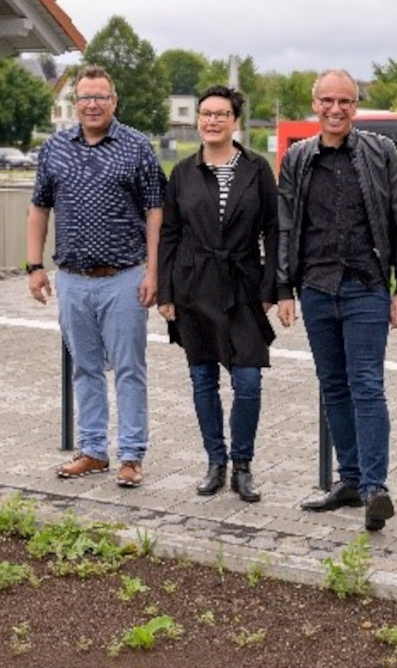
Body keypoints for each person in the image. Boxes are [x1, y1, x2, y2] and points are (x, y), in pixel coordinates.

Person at [275, 69, 397, 532]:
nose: (336, 109)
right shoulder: (298, 157)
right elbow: (286, 225)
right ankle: (349, 479)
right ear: (314, 104)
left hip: (366, 287)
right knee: (333, 386)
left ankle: (376, 487)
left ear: (357, 106)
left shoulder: (381, 152)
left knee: (367, 386)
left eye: (346, 102)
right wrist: (283, 289)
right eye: (327, 101)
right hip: (315, 288)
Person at [26, 65, 167, 489]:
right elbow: (39, 207)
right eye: (84, 97)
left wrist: (153, 272)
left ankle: (130, 455)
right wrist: (34, 266)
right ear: (75, 103)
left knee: (128, 368)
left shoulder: (137, 147)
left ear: (114, 101)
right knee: (84, 368)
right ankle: (92, 451)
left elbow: (155, 212)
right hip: (71, 279)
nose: (91, 104)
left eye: (100, 97)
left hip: (124, 277)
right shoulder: (55, 148)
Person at [157, 86, 278, 503]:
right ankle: (215, 461)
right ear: (198, 121)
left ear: (235, 121)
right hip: (194, 285)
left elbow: (273, 229)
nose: (212, 121)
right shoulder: (183, 173)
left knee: (248, 380)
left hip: (244, 284)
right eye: (206, 114)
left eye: (221, 114)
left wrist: (273, 286)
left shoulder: (257, 169)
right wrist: (165, 291)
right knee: (202, 378)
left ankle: (243, 465)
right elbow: (170, 233)